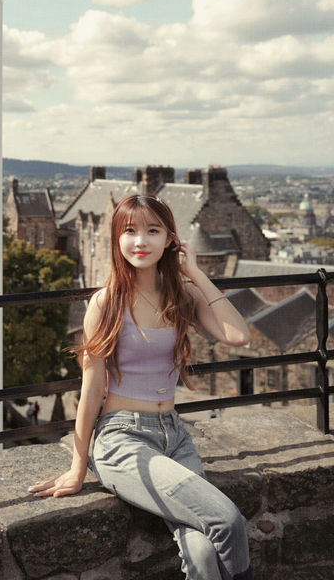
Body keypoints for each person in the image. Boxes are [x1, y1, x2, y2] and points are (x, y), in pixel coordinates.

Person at [28, 194, 253, 580]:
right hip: (122, 440)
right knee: (227, 521)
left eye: (153, 230)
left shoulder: (181, 295)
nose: (140, 241)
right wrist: (78, 467)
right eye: (129, 231)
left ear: (170, 239)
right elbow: (91, 390)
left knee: (201, 551)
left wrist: (195, 273)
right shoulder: (105, 304)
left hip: (175, 438)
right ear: (117, 239)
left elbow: (238, 336)